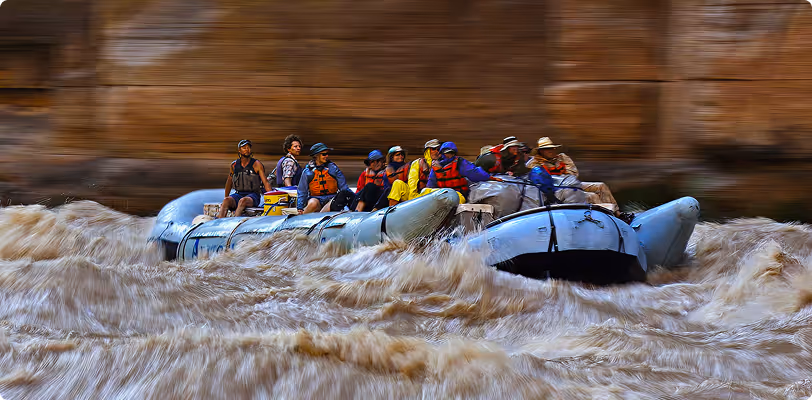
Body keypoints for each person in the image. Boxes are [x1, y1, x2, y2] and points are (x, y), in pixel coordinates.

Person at [526, 137, 618, 207]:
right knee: (592, 196)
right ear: (540, 151)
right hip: (556, 190)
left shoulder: (562, 158)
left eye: (551, 148)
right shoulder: (534, 163)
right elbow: (539, 181)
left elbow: (574, 174)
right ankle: (605, 217)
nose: (550, 151)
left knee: (601, 186)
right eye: (546, 149)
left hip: (571, 184)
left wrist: (562, 177)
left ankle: (617, 212)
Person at [426, 141, 502, 201]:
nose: (449, 155)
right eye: (447, 153)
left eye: (451, 153)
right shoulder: (436, 165)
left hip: (458, 195)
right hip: (441, 196)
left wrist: (489, 177)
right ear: (442, 153)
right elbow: (431, 183)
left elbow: (474, 172)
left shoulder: (459, 162)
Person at [218, 140, 273, 218]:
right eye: (244, 148)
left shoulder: (256, 164)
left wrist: (272, 198)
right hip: (239, 194)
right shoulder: (234, 165)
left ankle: (235, 222)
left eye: (248, 147)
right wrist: (226, 197)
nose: (247, 149)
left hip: (253, 196)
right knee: (226, 201)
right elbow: (229, 182)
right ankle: (219, 223)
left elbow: (265, 182)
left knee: (243, 201)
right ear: (239, 150)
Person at [297, 143, 354, 214]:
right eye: (324, 154)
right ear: (316, 155)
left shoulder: (333, 168)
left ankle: (321, 216)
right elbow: (302, 191)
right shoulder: (307, 172)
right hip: (316, 199)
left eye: (327, 154)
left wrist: (353, 198)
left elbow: (344, 187)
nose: (326, 156)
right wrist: (300, 207)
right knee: (312, 203)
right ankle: (302, 219)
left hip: (331, 198)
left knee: (341, 203)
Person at [387, 140, 439, 206]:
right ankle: (390, 211)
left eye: (438, 149)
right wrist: (413, 200)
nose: (437, 152)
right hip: (416, 196)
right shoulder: (417, 163)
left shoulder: (442, 164)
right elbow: (412, 184)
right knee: (397, 183)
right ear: (427, 151)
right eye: (434, 149)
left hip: (432, 195)